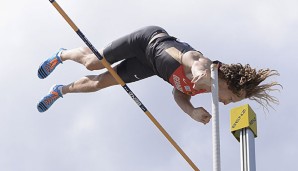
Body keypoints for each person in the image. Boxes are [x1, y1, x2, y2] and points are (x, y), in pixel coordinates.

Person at [37, 26, 280, 124]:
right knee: (93, 63)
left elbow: (178, 93)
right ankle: (62, 54)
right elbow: (193, 61)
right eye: (232, 98)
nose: (226, 103)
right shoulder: (205, 68)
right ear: (229, 84)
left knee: (101, 83)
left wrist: (191, 111)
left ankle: (60, 91)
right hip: (146, 41)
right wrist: (199, 73)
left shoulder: (202, 88)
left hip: (150, 67)